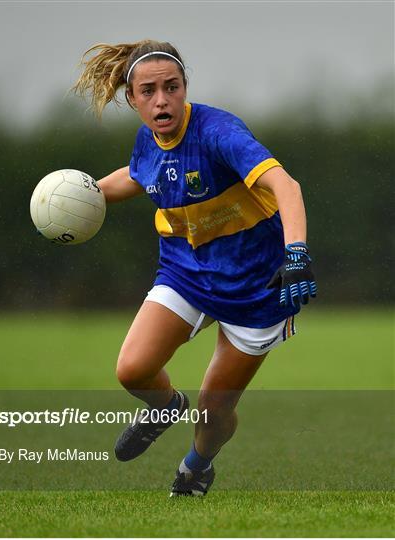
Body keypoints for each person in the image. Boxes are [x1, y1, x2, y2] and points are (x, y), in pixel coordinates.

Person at [73, 40, 316, 497]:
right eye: (148, 91)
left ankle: (196, 468)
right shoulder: (149, 137)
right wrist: (86, 194)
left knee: (213, 412)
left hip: (254, 286)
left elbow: (285, 185)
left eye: (172, 87)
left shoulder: (219, 132)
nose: (161, 100)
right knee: (133, 370)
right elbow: (141, 172)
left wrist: (296, 254)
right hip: (185, 272)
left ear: (186, 88)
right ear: (132, 98)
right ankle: (164, 407)